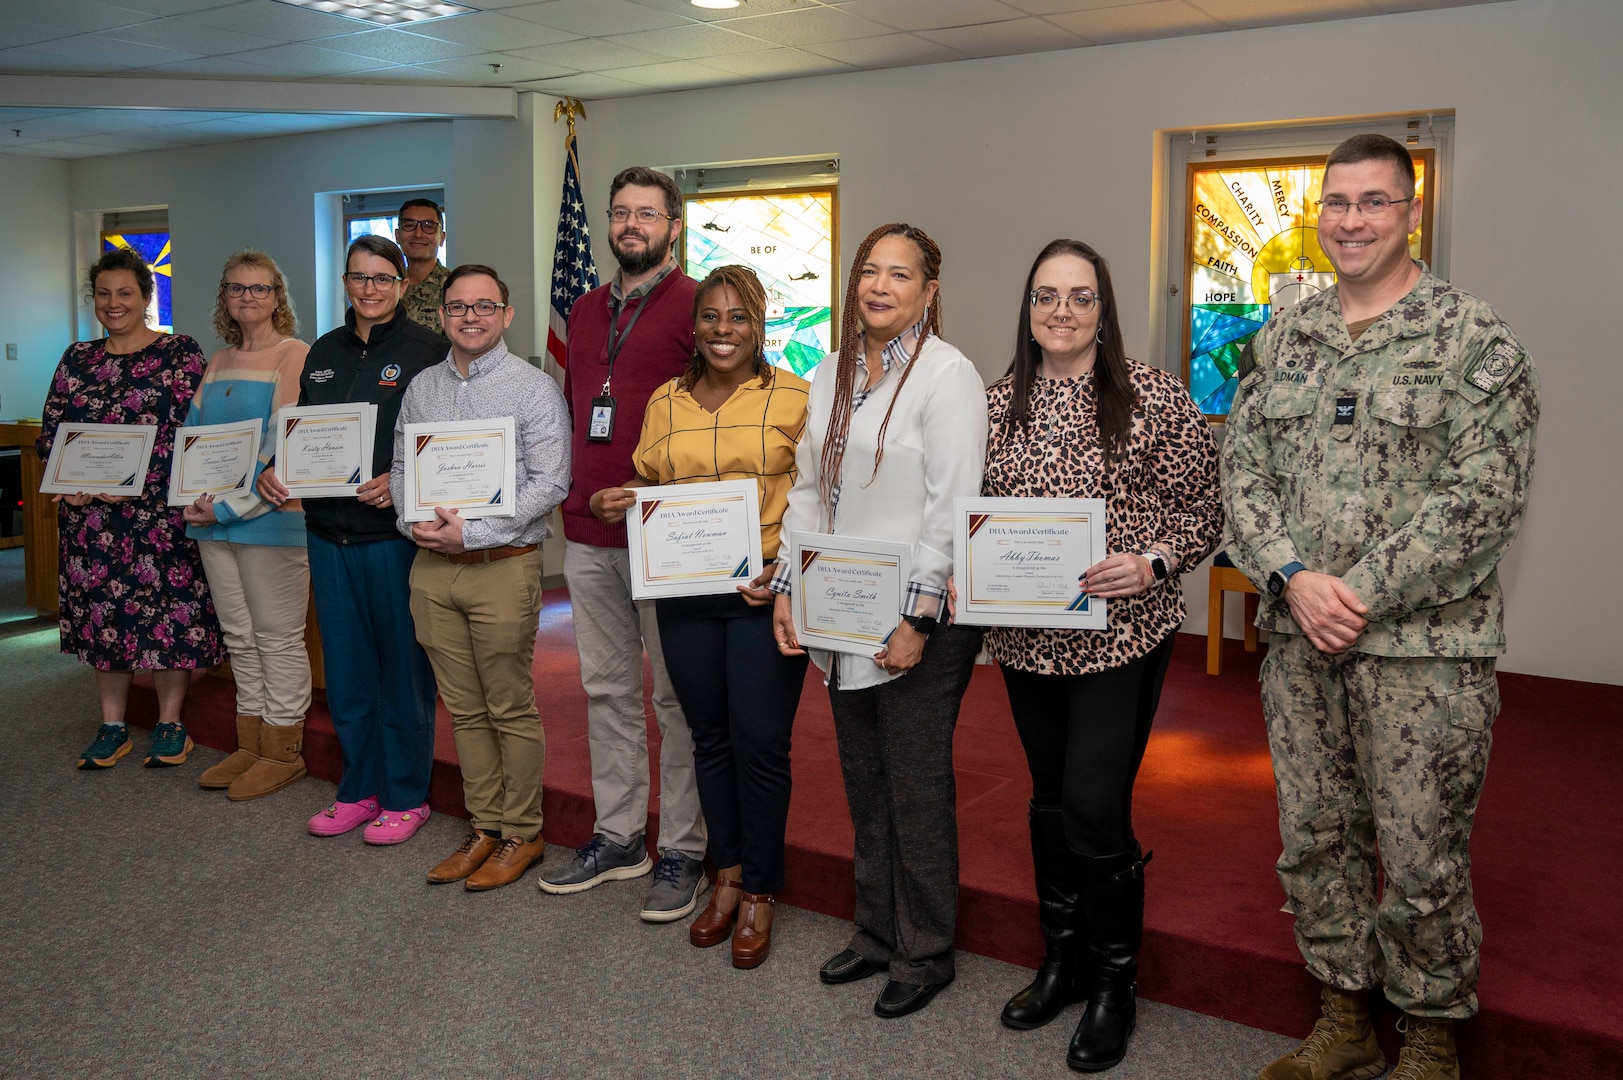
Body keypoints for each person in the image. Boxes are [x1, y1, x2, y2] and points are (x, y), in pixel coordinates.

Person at [1222, 134, 1539, 1080]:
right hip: (1298, 643)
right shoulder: (1286, 337)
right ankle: (1344, 1017)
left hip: (1422, 654)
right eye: (1334, 202)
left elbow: (1480, 501)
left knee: (1420, 853)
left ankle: (1430, 1037)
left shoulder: (1473, 339)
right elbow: (1241, 470)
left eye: (1371, 202)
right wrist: (1289, 576)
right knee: (1313, 837)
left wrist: (1351, 591)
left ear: (1411, 212)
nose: (1349, 220)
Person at [978, 240, 1221, 1071]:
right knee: (1047, 801)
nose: (1061, 311)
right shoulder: (993, 402)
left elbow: (1204, 509)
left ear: (1104, 309)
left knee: (1090, 804)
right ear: (1027, 305)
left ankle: (1116, 982)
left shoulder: (1151, 394)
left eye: (1080, 297)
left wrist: (1149, 561)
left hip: (1122, 633)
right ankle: (1063, 961)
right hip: (1023, 638)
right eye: (1045, 295)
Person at [771, 223, 987, 1018]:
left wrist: (919, 618)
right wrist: (790, 585)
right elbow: (806, 491)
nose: (880, 286)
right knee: (864, 781)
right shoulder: (826, 372)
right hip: (840, 608)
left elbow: (950, 505)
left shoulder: (948, 376)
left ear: (929, 291)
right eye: (869, 270)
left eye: (900, 275)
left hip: (915, 616)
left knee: (916, 782)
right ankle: (873, 931)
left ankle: (925, 949)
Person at [592, 265, 810, 967]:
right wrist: (615, 498)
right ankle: (727, 875)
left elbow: (815, 500)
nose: (723, 330)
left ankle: (762, 891)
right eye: (712, 317)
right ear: (696, 326)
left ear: (760, 324)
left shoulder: (797, 398)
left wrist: (785, 572)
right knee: (706, 738)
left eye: (738, 317)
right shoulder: (666, 400)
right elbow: (656, 488)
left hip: (761, 595)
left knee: (760, 744)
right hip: (684, 594)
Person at [539, 165, 708, 923]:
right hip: (587, 529)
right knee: (606, 689)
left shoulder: (699, 307)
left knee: (673, 696)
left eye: (647, 213)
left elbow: (713, 425)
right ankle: (618, 837)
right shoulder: (581, 309)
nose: (630, 225)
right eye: (620, 214)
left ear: (674, 224)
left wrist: (655, 493)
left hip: (664, 531)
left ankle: (682, 847)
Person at [257, 236, 443, 845]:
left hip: (389, 538)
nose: (370, 288)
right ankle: (358, 789)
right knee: (346, 672)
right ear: (345, 282)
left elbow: (445, 444)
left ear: (402, 284)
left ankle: (407, 795)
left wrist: (403, 478)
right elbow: (305, 433)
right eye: (359, 277)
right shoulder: (323, 354)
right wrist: (277, 466)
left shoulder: (429, 351)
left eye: (382, 278)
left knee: (401, 670)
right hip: (325, 533)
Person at [394, 265, 570, 891]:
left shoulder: (534, 389)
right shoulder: (421, 389)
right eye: (458, 307)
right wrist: (411, 518)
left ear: (506, 314)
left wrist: (471, 533)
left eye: (484, 306)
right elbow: (399, 469)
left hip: (501, 567)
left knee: (508, 705)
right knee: (464, 711)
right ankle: (485, 827)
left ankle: (523, 833)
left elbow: (550, 483)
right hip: (432, 570)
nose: (471, 317)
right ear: (441, 315)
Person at [39, 245, 225, 769]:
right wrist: (69, 481)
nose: (114, 303)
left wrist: (128, 479)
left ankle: (170, 723)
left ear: (147, 297)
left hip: (157, 518)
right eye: (104, 294)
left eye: (126, 293)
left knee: (168, 618)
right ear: (93, 300)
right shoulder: (77, 357)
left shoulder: (179, 353)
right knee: (105, 620)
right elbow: (52, 432)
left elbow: (194, 432)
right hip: (91, 521)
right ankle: (113, 725)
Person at [183, 251, 314, 801]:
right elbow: (193, 438)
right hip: (212, 524)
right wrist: (192, 499)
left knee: (277, 637)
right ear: (225, 298)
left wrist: (229, 507)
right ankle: (251, 740)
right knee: (238, 636)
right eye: (237, 289)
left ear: (278, 297)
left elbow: (278, 449)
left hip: (272, 522)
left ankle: (283, 750)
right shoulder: (218, 359)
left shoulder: (295, 356)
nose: (248, 298)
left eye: (260, 289)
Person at [397, 199, 449, 335]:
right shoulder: (387, 287)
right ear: (397, 235)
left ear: (442, 238)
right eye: (409, 225)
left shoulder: (454, 287)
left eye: (429, 226)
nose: (418, 234)